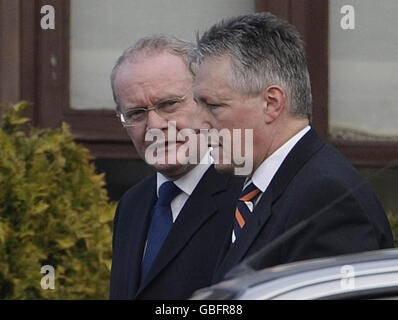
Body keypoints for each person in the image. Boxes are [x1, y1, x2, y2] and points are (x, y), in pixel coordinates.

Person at [192, 12, 394, 283]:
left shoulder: (326, 197)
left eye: (213, 106)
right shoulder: (257, 186)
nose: (198, 124)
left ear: (272, 103)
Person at [108, 35, 243, 299]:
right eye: (136, 113)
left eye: (169, 104)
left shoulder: (248, 195)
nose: (155, 125)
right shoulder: (132, 205)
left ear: (205, 100)